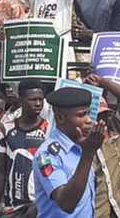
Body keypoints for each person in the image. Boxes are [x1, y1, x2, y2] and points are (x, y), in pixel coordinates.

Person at [33, 87, 106, 217]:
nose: (89, 120)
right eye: (81, 115)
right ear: (60, 118)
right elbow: (66, 204)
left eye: (88, 113)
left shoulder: (81, 146)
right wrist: (88, 155)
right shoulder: (46, 155)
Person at [0, 79, 51, 218]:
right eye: (33, 100)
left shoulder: (49, 130)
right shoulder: (6, 128)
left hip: (41, 208)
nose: (38, 104)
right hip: (12, 209)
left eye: (41, 100)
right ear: (21, 100)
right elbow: (0, 172)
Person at [83, 74, 120, 218]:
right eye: (96, 116)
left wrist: (102, 81)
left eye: (104, 115)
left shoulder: (116, 132)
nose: (100, 121)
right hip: (96, 213)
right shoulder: (80, 143)